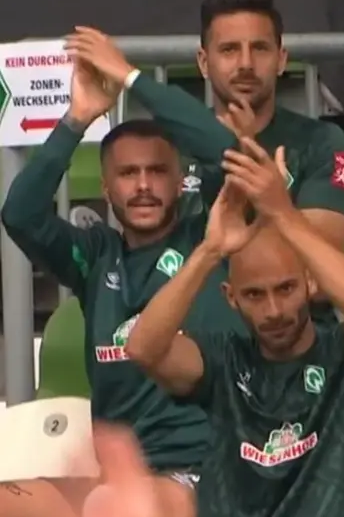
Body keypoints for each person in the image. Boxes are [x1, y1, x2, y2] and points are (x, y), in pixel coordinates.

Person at [0, 61, 240, 517]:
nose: (144, 185)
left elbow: (230, 154)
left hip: (203, 470)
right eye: (129, 174)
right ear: (107, 188)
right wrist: (77, 119)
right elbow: (20, 214)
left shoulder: (213, 240)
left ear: (180, 179)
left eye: (157, 171)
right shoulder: (95, 257)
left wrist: (132, 81)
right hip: (114, 471)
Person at [125, 137, 344, 517]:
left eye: (286, 288)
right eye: (254, 295)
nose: (273, 310)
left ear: (311, 282)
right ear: (231, 297)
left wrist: (283, 214)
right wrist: (209, 251)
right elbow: (143, 348)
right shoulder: (223, 360)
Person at [63, 0, 344, 252]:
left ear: (281, 60)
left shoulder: (321, 141)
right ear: (204, 63)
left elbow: (322, 256)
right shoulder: (168, 145)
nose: (245, 64)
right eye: (229, 50)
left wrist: (130, 76)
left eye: (260, 48)